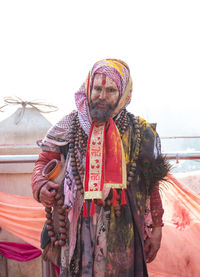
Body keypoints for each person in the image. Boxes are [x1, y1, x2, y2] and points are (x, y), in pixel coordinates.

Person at [32, 59, 169, 277]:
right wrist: (40, 185)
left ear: (123, 93)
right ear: (88, 88)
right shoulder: (70, 124)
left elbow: (152, 184)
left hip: (124, 229)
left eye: (110, 90)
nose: (102, 96)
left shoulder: (141, 132)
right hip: (76, 227)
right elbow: (44, 160)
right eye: (97, 88)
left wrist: (157, 228)